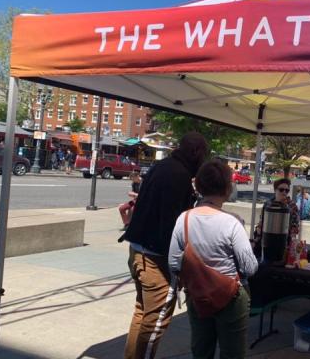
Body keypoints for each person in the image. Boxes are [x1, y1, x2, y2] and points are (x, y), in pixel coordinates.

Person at [122, 132, 207, 359]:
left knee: (142, 314)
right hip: (155, 260)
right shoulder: (178, 176)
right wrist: (181, 267)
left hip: (138, 252)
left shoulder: (162, 167)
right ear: (196, 153)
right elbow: (170, 227)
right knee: (154, 324)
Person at [169, 160, 258, 359]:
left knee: (201, 351)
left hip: (198, 295)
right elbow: (250, 267)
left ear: (198, 185)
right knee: (232, 354)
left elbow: (174, 264)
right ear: (228, 188)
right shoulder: (232, 223)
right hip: (232, 297)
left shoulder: (184, 219)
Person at [252, 178, 299, 258]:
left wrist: (292, 242)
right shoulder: (268, 204)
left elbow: (295, 226)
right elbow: (262, 222)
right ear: (275, 190)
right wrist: (256, 239)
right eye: (281, 190)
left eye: (286, 190)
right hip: (267, 241)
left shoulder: (292, 206)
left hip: (284, 242)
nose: (284, 192)